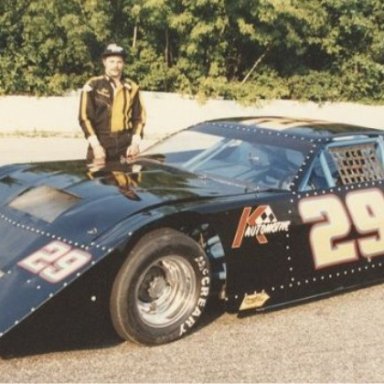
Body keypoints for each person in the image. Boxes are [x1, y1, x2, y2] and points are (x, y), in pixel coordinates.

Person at [79, 43, 146, 162]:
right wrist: (95, 145)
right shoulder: (93, 85)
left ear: (123, 64)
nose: (116, 65)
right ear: (104, 62)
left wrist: (135, 144)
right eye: (112, 61)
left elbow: (139, 118)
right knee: (96, 180)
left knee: (129, 180)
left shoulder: (132, 87)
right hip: (101, 144)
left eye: (119, 62)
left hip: (126, 146)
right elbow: (84, 118)